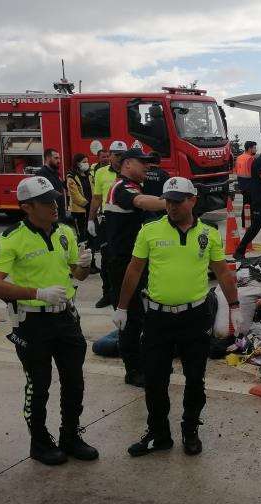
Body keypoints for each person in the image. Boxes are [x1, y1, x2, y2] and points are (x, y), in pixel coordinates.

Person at [116, 177, 239, 457]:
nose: (171, 206)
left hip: (195, 317)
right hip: (158, 319)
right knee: (155, 379)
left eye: (178, 201)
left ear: (192, 200)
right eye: (168, 201)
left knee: (195, 378)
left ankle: (190, 429)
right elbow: (134, 270)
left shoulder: (208, 233)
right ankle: (158, 434)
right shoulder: (149, 231)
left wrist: (234, 306)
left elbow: (222, 271)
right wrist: (122, 307)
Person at [0, 176, 98, 466]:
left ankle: (70, 435)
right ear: (27, 207)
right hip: (33, 322)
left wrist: (84, 266)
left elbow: (77, 275)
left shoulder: (65, 232)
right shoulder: (13, 238)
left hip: (66, 317)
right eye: (46, 202)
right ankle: (39, 442)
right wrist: (37, 293)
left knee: (74, 381)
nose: (54, 206)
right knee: (39, 384)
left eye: (55, 200)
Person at [102, 148, 167, 387]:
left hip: (134, 260)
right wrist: (172, 201)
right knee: (130, 317)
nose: (147, 167)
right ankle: (133, 371)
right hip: (122, 263)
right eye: (143, 163)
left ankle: (142, 361)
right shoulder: (122, 187)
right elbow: (141, 202)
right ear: (127, 164)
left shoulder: (133, 185)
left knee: (140, 314)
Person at [88, 140, 127, 308]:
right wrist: (90, 219)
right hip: (107, 221)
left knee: (124, 259)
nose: (119, 158)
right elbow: (97, 197)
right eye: (116, 155)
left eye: (122, 155)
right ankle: (107, 294)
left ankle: (123, 294)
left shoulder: (131, 171)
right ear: (109, 155)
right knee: (106, 259)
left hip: (125, 220)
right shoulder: (101, 172)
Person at [35, 148, 69, 221]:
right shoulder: (41, 174)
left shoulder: (55, 173)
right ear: (48, 158)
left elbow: (61, 187)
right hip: (50, 214)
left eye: (59, 158)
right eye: (56, 158)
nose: (59, 161)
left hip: (60, 213)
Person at [65, 154, 91, 246]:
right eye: (84, 162)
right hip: (79, 210)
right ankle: (81, 249)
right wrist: (86, 204)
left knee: (90, 232)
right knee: (81, 233)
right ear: (77, 163)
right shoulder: (71, 177)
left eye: (87, 162)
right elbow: (75, 195)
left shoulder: (89, 175)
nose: (86, 164)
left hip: (90, 208)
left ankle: (91, 250)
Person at [141, 154, 170, 222]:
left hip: (145, 207)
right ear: (159, 161)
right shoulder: (164, 174)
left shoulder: (142, 173)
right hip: (160, 208)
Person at [234, 141, 257, 223]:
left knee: (246, 203)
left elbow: (236, 170)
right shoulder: (250, 158)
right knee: (250, 205)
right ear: (250, 149)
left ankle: (244, 221)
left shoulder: (239, 157)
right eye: (254, 148)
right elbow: (254, 173)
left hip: (241, 184)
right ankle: (248, 223)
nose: (256, 150)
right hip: (250, 184)